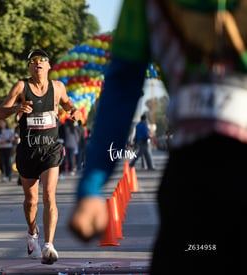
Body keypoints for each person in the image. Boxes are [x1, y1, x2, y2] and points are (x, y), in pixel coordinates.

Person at [69, 1, 247, 274]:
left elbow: (123, 85)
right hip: (192, 180)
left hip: (192, 178)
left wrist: (92, 183)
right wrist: (92, 185)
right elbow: (123, 83)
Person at [0, 48, 81, 265]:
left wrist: (73, 111)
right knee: (31, 201)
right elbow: (0, 112)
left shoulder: (58, 87)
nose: (38, 63)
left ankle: (49, 245)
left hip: (51, 151)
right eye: (33, 61)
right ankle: (33, 232)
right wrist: (17, 107)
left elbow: (68, 104)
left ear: (49, 65)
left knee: (49, 195)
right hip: (28, 151)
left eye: (42, 60)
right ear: (29, 67)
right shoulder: (21, 86)